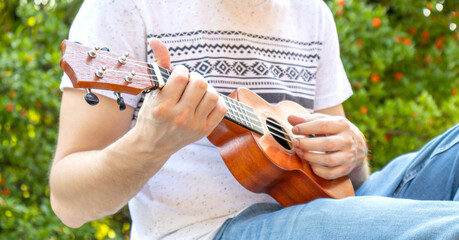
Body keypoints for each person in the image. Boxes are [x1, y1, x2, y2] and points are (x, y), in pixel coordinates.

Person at [49, 0, 459, 239]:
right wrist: (149, 145)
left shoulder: (311, 12)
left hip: (328, 209)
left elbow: (351, 181)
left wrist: (352, 149)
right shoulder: (123, 7)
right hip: (209, 231)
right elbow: (68, 202)